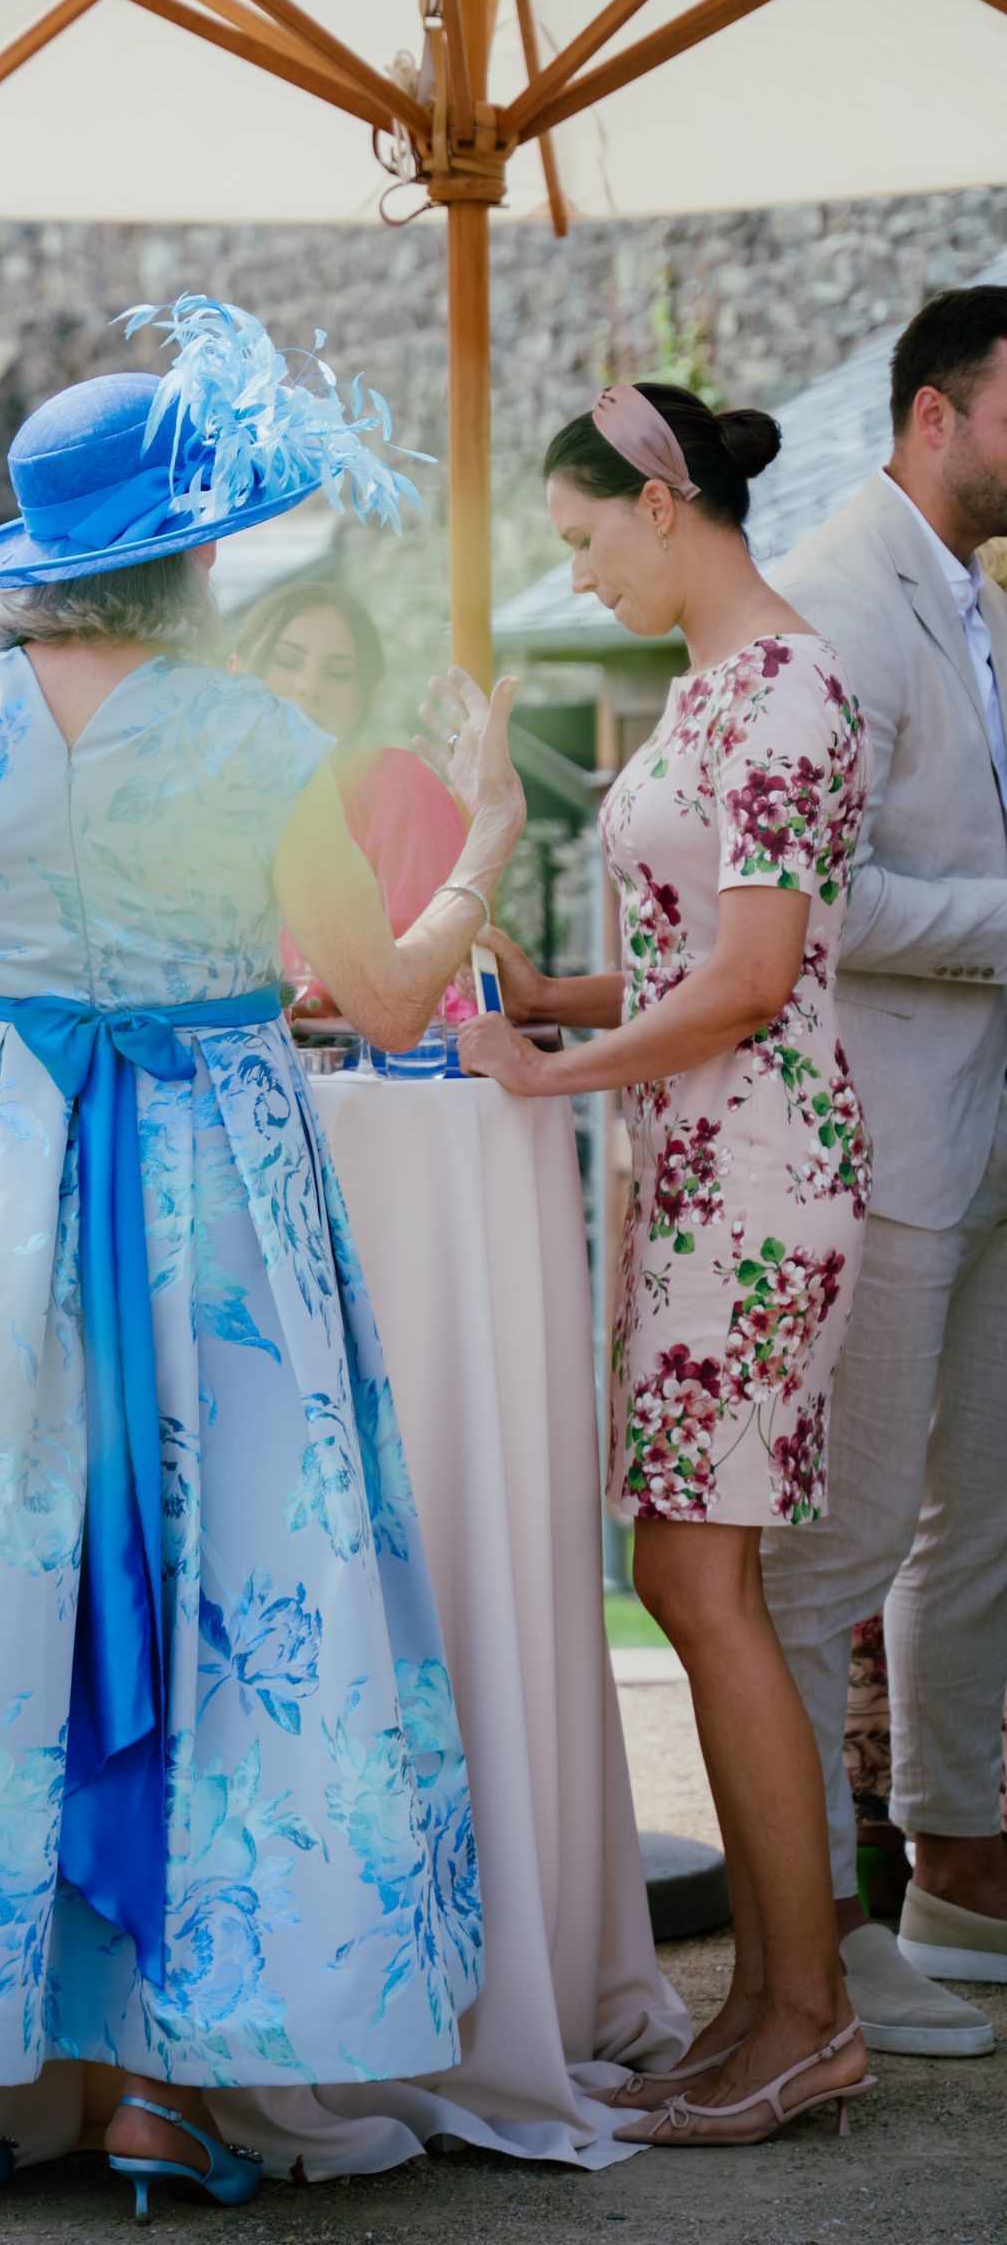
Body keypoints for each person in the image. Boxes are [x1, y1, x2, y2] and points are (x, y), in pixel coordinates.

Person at [0, 295, 526, 2214]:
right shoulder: (260, 738)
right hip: (205, 1195)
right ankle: (165, 2086)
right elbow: (395, 984)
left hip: (9, 1177)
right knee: (226, 1586)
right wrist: (483, 831)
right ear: (192, 554)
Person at [460, 380, 874, 2149]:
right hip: (699, 1171)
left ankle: (808, 2019)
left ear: (657, 500)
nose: (578, 583)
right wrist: (542, 993)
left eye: (579, 544)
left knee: (710, 1593)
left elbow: (755, 979)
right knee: (692, 1584)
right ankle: (761, 2008)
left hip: (760, 1175)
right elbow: (696, 957)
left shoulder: (785, 688)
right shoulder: (717, 692)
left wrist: (552, 1072)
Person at [754, 284, 1007, 2051]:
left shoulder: (973, 597)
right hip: (885, 1133)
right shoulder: (838, 598)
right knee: (839, 1549)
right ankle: (815, 1938)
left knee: (979, 1529)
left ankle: (960, 1875)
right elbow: (813, 903)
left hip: (985, 1128)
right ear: (939, 412)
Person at [230, 581, 465, 940]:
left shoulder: (399, 793)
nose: (309, 686)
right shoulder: (181, 800)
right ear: (234, 675)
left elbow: (422, 971)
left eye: (337, 673)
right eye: (287, 661)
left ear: (360, 702)